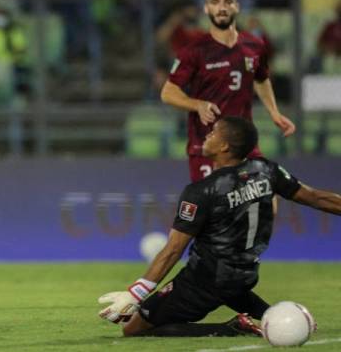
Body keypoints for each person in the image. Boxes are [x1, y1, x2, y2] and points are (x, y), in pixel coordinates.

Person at [98, 117, 341, 337]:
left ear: (225, 146)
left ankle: (230, 328)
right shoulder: (267, 170)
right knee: (230, 288)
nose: (207, 136)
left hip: (204, 281)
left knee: (133, 328)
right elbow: (317, 198)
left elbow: (173, 250)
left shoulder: (201, 191)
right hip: (245, 275)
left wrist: (136, 293)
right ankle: (284, 316)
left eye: (213, 133)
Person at [160, 0, 295, 183]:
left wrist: (274, 112)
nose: (222, 7)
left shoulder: (254, 46)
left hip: (243, 143)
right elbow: (168, 93)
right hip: (207, 146)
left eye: (228, 2)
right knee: (215, 209)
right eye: (215, 2)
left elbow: (261, 78)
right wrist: (198, 104)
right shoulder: (194, 50)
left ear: (237, 7)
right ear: (206, 9)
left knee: (267, 201)